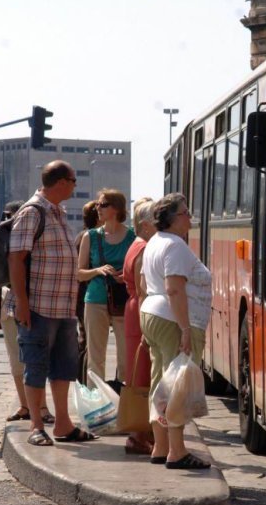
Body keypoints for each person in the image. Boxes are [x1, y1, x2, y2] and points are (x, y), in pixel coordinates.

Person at [8, 160, 96, 446]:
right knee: (35, 366)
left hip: (63, 308)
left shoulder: (58, 212)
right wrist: (22, 302)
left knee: (63, 368)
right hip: (38, 307)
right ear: (61, 182)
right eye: (73, 180)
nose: (75, 186)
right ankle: (36, 426)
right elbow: (16, 259)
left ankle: (63, 424)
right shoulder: (33, 212)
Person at [140, 193, 212, 469]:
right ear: (172, 218)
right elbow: (174, 288)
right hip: (174, 319)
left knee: (160, 381)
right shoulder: (176, 246)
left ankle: (161, 446)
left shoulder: (154, 243)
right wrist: (184, 328)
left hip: (153, 313)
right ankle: (177, 451)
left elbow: (146, 283)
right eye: (185, 213)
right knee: (178, 385)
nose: (189, 217)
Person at [0, 200, 52, 424]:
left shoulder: (36, 239)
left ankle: (42, 408)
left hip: (33, 302)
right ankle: (25, 406)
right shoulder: (1, 239)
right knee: (16, 360)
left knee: (35, 359)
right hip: (8, 303)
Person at [78, 188, 135, 384]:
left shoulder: (132, 237)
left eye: (102, 205)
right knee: (96, 357)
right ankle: (95, 404)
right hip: (95, 299)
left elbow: (139, 270)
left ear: (116, 208)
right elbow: (79, 273)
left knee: (126, 357)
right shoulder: (91, 236)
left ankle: (126, 403)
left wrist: (125, 277)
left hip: (123, 299)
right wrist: (98, 270)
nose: (97, 208)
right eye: (97, 204)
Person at [121, 197, 156, 455]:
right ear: (145, 225)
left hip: (133, 309)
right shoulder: (144, 248)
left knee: (138, 372)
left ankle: (141, 433)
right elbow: (144, 290)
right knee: (142, 374)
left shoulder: (135, 244)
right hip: (140, 311)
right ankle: (138, 435)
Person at [74, 200, 100, 384]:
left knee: (86, 341)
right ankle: (83, 382)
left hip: (80, 296)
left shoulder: (81, 236)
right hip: (85, 295)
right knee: (87, 343)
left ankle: (82, 381)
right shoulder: (88, 237)